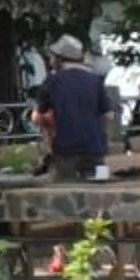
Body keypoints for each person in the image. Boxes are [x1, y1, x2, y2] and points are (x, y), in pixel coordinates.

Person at [36, 35, 114, 181]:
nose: (51, 60)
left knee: (66, 193)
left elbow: (37, 117)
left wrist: (48, 129)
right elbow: (109, 115)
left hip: (65, 150)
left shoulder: (52, 81)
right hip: (96, 150)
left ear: (60, 58)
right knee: (100, 191)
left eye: (53, 57)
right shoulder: (95, 80)